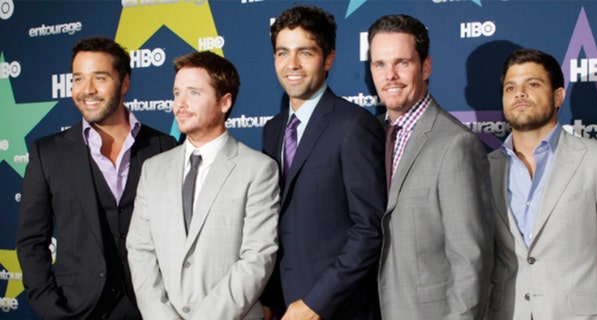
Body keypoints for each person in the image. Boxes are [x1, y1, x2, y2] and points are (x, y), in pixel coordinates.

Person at [16, 36, 177, 319]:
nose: (87, 90)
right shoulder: (48, 152)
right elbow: (31, 241)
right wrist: (49, 305)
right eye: (78, 79)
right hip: (76, 309)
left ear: (124, 83)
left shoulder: (163, 146)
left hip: (151, 309)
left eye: (99, 78)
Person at [487, 48, 597, 319]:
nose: (519, 94)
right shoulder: (483, 169)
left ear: (558, 96)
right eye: (511, 88)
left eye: (532, 84)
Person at [126, 51, 280, 320]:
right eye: (177, 93)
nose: (180, 104)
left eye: (194, 93)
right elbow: (140, 250)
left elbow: (257, 258)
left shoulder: (257, 169)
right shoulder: (153, 169)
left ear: (224, 102)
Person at [260, 5, 387, 320]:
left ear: (328, 58)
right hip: (282, 307)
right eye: (282, 53)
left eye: (305, 53)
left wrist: (317, 302)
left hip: (338, 309)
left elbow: (369, 230)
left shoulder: (353, 126)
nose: (292, 65)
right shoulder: (273, 130)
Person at [367, 14, 494, 319]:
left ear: (425, 67)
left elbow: (471, 261)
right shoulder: (366, 135)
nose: (390, 76)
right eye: (379, 65)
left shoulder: (455, 145)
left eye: (402, 63)